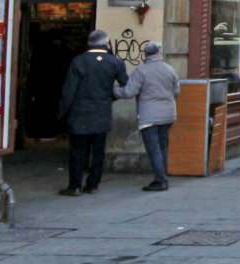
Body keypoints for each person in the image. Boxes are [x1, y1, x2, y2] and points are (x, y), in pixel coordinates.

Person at [58, 29, 127, 196]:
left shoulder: (79, 61)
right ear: (106, 43)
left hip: (79, 113)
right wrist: (110, 97)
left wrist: (62, 112)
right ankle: (93, 184)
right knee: (98, 152)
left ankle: (75, 186)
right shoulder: (115, 62)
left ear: (89, 43)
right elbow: (125, 84)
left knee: (77, 151)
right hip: (102, 112)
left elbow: (69, 90)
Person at [120, 39, 180, 191]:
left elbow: (129, 91)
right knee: (162, 147)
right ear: (159, 52)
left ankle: (160, 180)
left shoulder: (141, 70)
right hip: (168, 114)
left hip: (149, 115)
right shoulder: (169, 69)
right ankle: (163, 177)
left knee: (153, 149)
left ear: (145, 54)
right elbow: (176, 91)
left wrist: (113, 90)